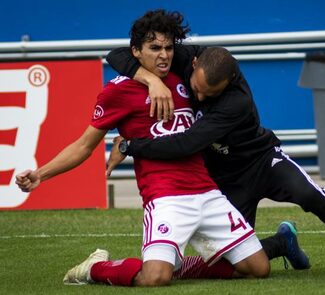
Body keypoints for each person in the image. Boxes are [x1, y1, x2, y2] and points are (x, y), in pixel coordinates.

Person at [106, 35, 325, 276]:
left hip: (262, 161)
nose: (199, 98)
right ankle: (281, 243)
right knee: (234, 269)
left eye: (210, 94)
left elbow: (187, 144)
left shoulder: (235, 102)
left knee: (312, 194)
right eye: (196, 89)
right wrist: (152, 80)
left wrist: (132, 145)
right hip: (224, 177)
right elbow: (117, 54)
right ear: (194, 62)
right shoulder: (187, 56)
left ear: (229, 82)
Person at [15, 10, 273, 287]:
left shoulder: (186, 79)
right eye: (154, 48)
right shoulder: (117, 91)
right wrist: (41, 174)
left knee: (258, 269)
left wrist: (128, 140)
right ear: (136, 52)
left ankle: (176, 266)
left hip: (208, 192)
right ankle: (95, 268)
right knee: (154, 278)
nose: (164, 55)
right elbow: (84, 145)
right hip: (165, 198)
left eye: (168, 47)